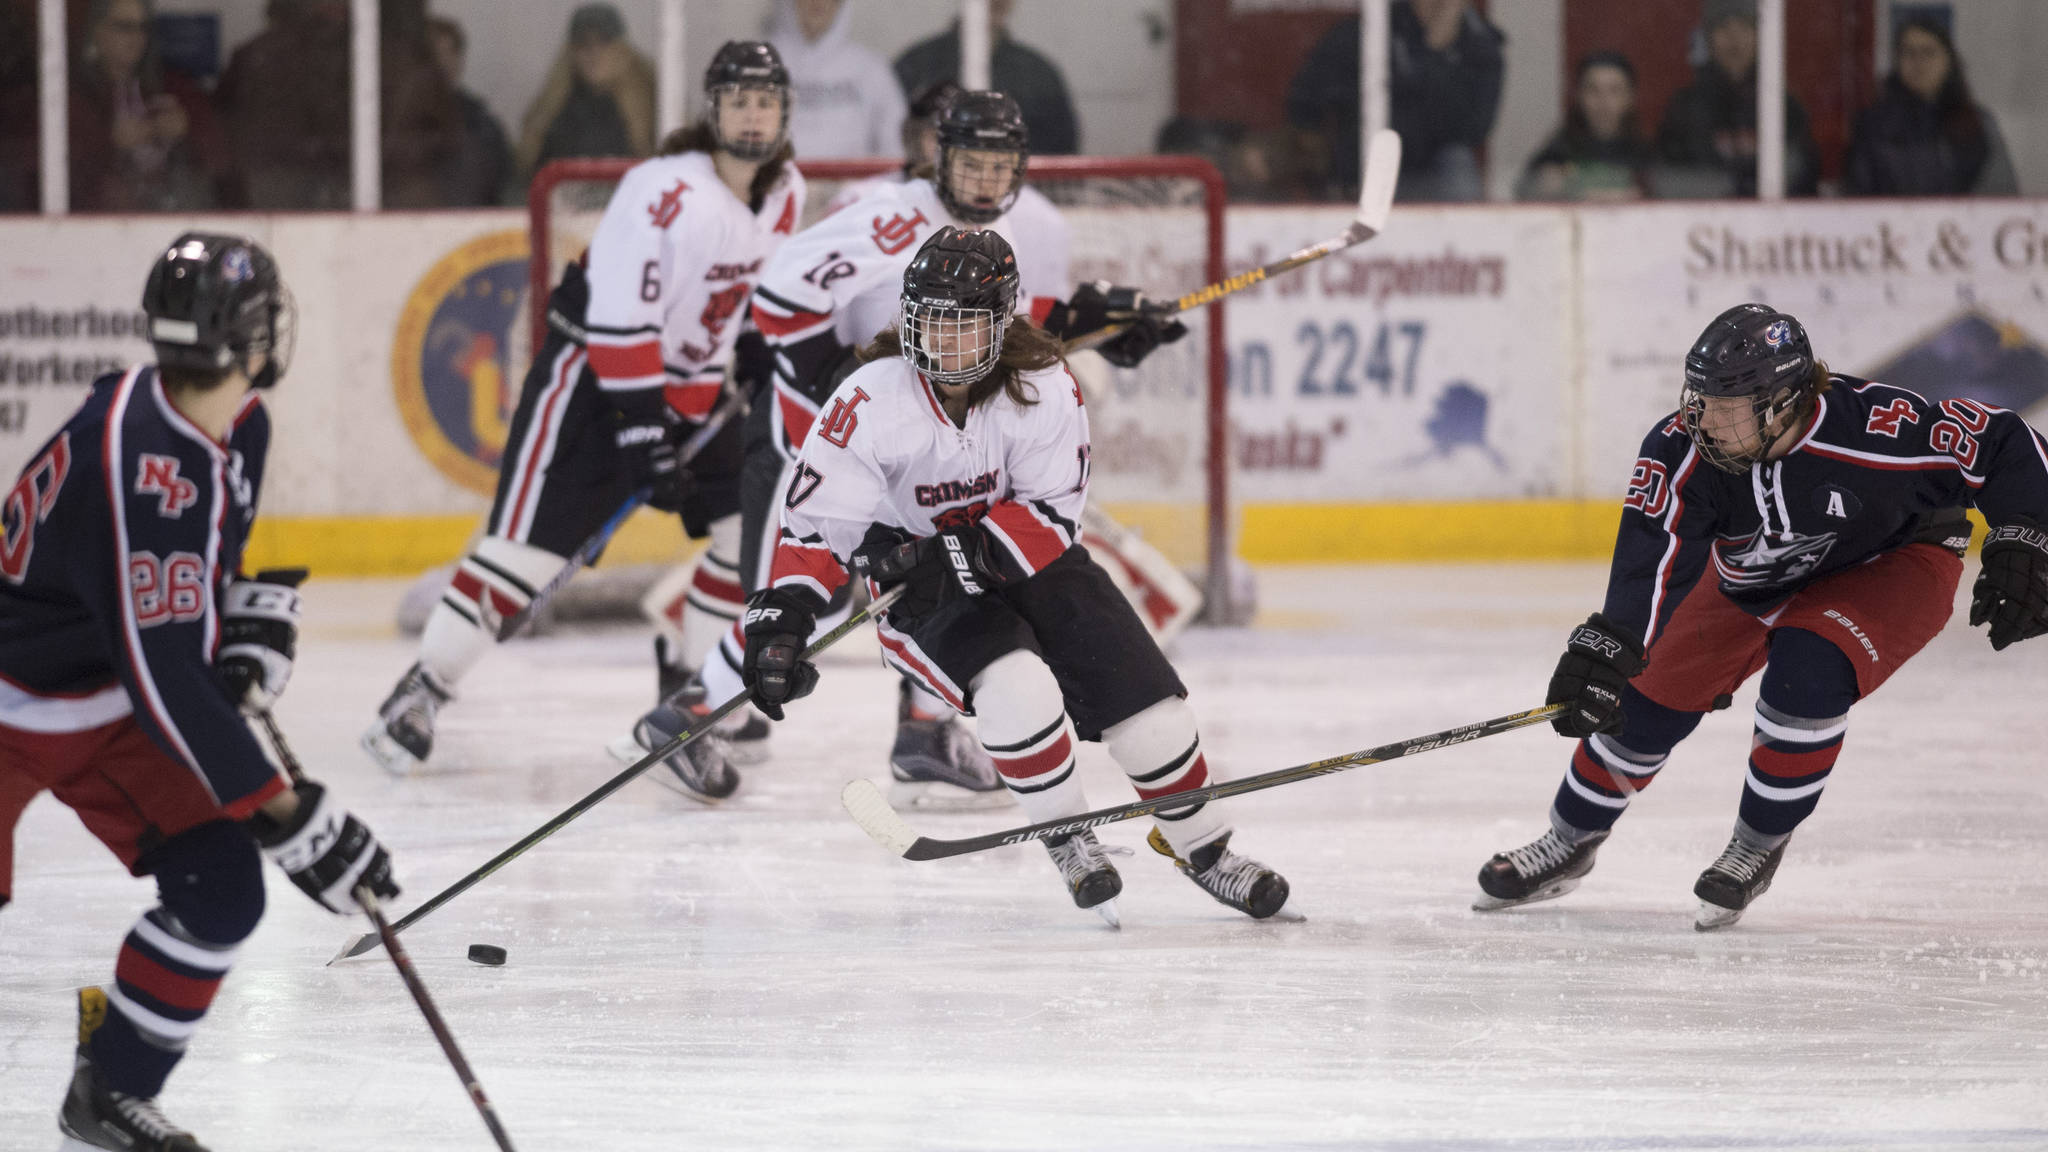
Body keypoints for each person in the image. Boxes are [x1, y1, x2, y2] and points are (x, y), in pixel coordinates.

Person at [622, 90, 1182, 810]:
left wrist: (1092, 321)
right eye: (971, 163)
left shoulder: (1005, 226)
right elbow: (783, 295)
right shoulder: (900, 215)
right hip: (827, 436)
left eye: (999, 164)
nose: (985, 179)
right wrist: (833, 377)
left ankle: (924, 734)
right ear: (937, 157)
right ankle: (688, 717)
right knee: (813, 601)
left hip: (912, 443)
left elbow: (979, 334)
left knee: (955, 566)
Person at [742, 225, 1291, 923]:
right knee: (1017, 692)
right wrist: (783, 614)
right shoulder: (869, 401)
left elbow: (1054, 512)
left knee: (1151, 714)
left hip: (1027, 560)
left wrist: (964, 554)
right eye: (931, 322)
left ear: (1002, 324)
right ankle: (1068, 837)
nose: (944, 343)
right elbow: (821, 527)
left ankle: (1206, 850)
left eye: (965, 326)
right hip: (918, 580)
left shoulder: (1043, 385)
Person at [0, 232, 399, 1150]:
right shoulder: (142, 459)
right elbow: (164, 673)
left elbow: (192, 596)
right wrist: (287, 814)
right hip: (29, 695)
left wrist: (247, 628)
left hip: (98, 693)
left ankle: (112, 1090)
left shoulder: (232, 426)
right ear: (254, 340)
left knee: (220, 890)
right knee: (246, 853)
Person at [1474, 303, 2048, 930]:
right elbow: (1652, 559)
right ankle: (1568, 840)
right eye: (1699, 400)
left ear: (1781, 402)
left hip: (1894, 564)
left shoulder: (1878, 428)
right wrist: (1609, 647)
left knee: (1808, 670)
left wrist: (2027, 537)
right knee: (1642, 701)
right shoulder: (1680, 449)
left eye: (1725, 405)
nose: (1703, 420)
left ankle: (1756, 844)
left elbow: (2004, 441)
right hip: (1753, 571)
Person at [362, 42, 804, 799]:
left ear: (784, 112)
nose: (753, 115)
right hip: (592, 387)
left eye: (766, 102)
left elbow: (759, 291)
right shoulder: (665, 191)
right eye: (738, 101)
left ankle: (693, 704)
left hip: (696, 390)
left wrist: (760, 347)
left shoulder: (786, 189)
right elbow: (620, 322)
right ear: (713, 111)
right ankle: (421, 691)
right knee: (528, 561)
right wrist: (640, 431)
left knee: (749, 529)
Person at [1285, 0, 1504, 202]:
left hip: (1433, 173)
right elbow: (1304, 100)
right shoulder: (1366, 31)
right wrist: (1318, 146)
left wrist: (1435, 56)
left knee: (1458, 168)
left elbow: (1472, 130)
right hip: (1361, 169)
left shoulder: (1479, 46)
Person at [70, 0, 237, 211]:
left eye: (143, 28)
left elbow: (221, 159)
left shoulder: (175, 87)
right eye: (124, 27)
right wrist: (109, 143)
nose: (136, 38)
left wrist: (187, 131)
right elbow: (58, 171)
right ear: (96, 31)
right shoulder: (74, 94)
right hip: (99, 222)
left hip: (170, 215)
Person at [1654, 0, 1818, 198]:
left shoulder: (1784, 107)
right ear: (1708, 38)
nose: (1735, 39)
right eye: (1724, 27)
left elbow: (1804, 176)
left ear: (1760, 36)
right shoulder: (1684, 109)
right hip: (1701, 226)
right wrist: (1734, 188)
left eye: (1744, 26)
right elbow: (1664, 180)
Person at [1844, 17, 2018, 198]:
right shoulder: (1872, 125)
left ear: (1948, 60)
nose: (1918, 61)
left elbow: (2002, 195)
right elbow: (1857, 196)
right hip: (1893, 225)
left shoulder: (1977, 122)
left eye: (1928, 52)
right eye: (1908, 52)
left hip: (1962, 224)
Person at [893, 0, 1078, 155]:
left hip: (1023, 189)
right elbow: (892, 137)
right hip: (925, 188)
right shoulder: (918, 63)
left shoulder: (1037, 71)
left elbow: (1062, 146)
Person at [217, 0, 351, 210]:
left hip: (305, 174)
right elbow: (223, 119)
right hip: (272, 174)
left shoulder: (350, 54)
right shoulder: (253, 56)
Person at [516, 3, 656, 182]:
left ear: (622, 49)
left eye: (604, 42)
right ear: (571, 51)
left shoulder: (653, 101)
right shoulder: (553, 112)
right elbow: (530, 168)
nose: (593, 52)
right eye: (583, 44)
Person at [768, 0, 906, 159]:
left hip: (856, 181)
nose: (817, 4)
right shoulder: (764, 64)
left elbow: (895, 145)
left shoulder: (870, 68)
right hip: (776, 181)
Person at [1516, 50, 1652, 202]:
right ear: (1579, 96)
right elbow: (1524, 190)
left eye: (1614, 91)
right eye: (1593, 90)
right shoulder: (1559, 151)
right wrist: (1548, 186)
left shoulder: (1649, 156)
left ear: (1630, 97)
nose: (1604, 102)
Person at [428, 16, 516, 207]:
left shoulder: (482, 123)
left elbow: (503, 187)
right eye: (435, 53)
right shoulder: (402, 124)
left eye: (451, 52)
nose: (444, 62)